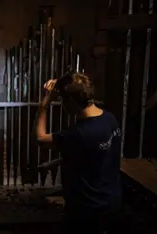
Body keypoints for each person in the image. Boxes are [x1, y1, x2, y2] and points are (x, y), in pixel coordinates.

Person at [33, 72, 121, 234]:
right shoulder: (109, 119)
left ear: (71, 101)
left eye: (62, 100)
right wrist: (54, 163)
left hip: (86, 210)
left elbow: (40, 138)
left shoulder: (79, 133)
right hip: (110, 201)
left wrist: (45, 103)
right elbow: (93, 154)